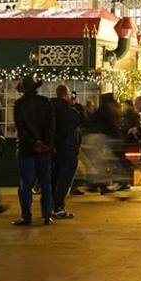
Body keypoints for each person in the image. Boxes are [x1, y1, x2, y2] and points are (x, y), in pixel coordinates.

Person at [12, 75, 56, 226]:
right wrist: (44, 143)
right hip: (44, 149)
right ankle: (46, 215)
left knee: (26, 184)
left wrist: (33, 142)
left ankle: (26, 216)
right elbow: (51, 126)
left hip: (26, 149)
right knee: (45, 183)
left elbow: (21, 128)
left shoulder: (19, 105)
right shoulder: (46, 102)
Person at [51, 84, 86, 220]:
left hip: (55, 149)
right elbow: (82, 120)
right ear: (66, 95)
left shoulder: (52, 108)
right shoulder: (67, 110)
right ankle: (58, 207)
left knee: (55, 177)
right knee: (64, 179)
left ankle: (50, 206)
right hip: (68, 148)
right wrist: (76, 106)